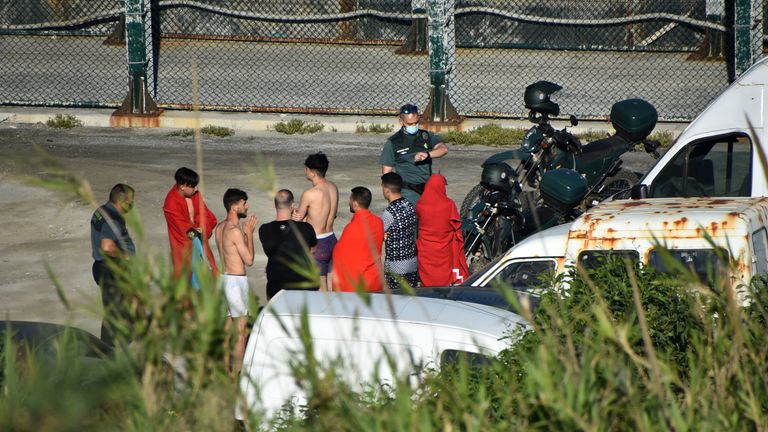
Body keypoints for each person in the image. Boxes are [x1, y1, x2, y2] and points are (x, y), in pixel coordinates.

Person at [214, 188, 258, 375]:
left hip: (223, 280)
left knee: (226, 331)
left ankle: (225, 370)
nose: (246, 206)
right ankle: (237, 375)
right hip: (236, 282)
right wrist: (249, 234)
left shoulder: (219, 227)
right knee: (240, 334)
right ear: (234, 206)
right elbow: (249, 260)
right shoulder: (235, 231)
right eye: (243, 203)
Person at [90, 183, 136, 346]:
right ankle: (107, 348)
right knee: (113, 312)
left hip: (102, 267)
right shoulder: (113, 219)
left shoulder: (101, 211)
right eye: (130, 201)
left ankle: (126, 339)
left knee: (122, 307)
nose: (132, 205)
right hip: (111, 270)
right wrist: (125, 256)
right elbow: (107, 246)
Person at [379, 103, 449, 205]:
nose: (413, 126)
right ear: (401, 122)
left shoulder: (425, 136)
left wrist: (428, 154)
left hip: (427, 189)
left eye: (416, 123)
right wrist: (391, 195)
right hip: (407, 191)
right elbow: (387, 172)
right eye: (409, 124)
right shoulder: (393, 142)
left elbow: (443, 149)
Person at [259, 189, 318, 300]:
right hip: (302, 285)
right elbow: (313, 250)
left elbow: (269, 252)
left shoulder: (264, 229)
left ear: (274, 205)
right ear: (292, 206)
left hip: (276, 286)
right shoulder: (306, 228)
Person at [291, 152, 339, 291]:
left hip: (317, 243)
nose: (304, 171)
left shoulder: (310, 193)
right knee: (331, 287)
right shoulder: (333, 187)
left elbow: (298, 218)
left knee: (321, 289)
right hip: (331, 239)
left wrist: (293, 211)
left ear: (312, 172)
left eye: (306, 168)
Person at [163, 167, 219, 283]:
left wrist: (202, 229)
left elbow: (209, 217)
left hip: (201, 242)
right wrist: (197, 230)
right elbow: (181, 229)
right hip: (183, 247)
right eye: (192, 186)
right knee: (187, 284)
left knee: (210, 279)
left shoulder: (195, 195)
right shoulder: (170, 203)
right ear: (182, 186)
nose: (196, 188)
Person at [415, 174, 469, 286]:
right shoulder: (449, 204)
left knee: (427, 281)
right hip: (444, 251)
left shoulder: (420, 204)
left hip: (426, 250)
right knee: (443, 281)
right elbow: (456, 225)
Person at [332, 187, 385, 292]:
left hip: (358, 285)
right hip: (375, 280)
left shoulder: (352, 227)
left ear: (355, 203)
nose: (349, 203)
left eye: (350, 200)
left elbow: (338, 255)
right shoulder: (378, 222)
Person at [380, 172, 418, 289]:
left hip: (395, 267)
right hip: (412, 263)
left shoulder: (389, 213)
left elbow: (377, 233)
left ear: (387, 189)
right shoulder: (409, 205)